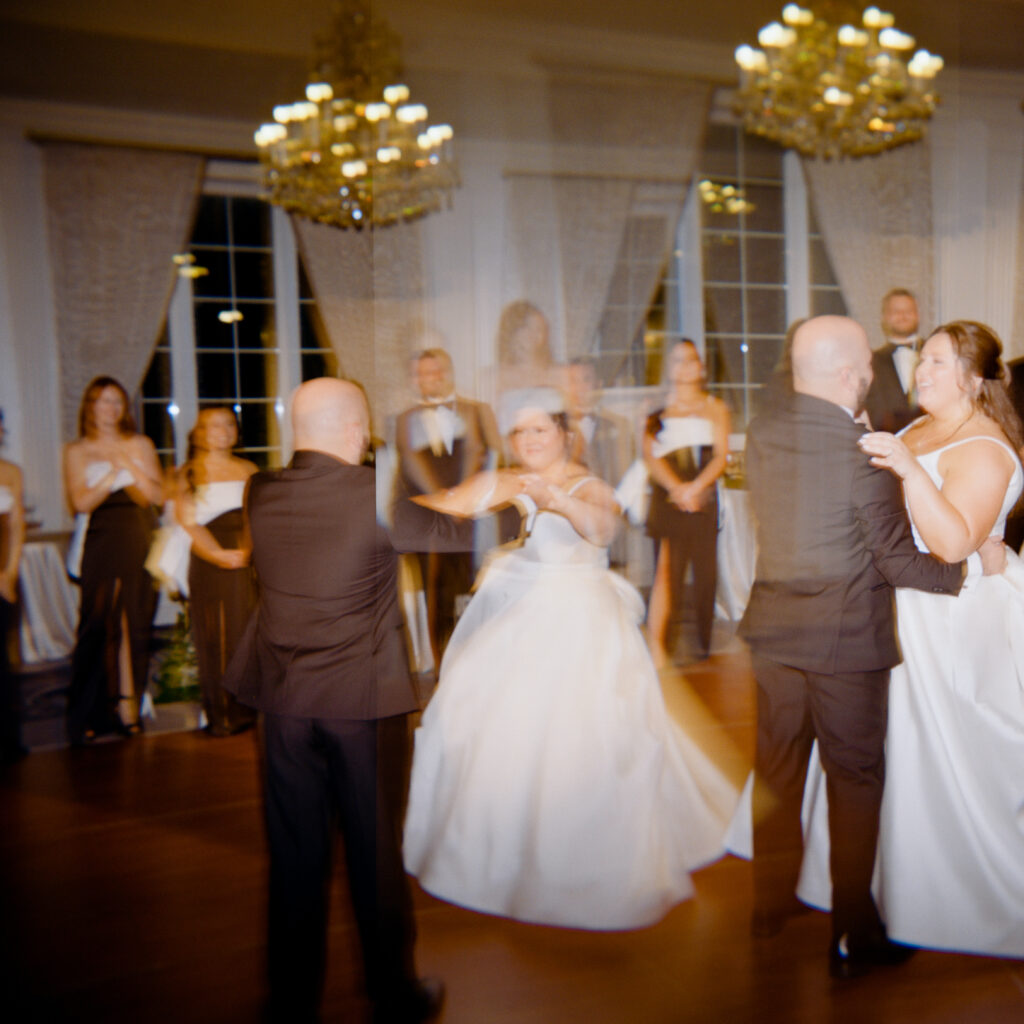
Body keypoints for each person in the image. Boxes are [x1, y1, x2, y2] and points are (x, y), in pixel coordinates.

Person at [403, 388, 739, 930]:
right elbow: (445, 505)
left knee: (574, 740)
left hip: (579, 622)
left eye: (540, 429)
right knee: (478, 723)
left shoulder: (587, 483)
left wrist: (556, 499)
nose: (529, 439)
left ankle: (576, 865)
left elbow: (602, 527)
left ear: (564, 433)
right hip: (517, 616)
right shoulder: (507, 478)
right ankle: (492, 853)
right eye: (520, 431)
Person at [737, 316, 999, 979]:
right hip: (845, 643)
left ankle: (767, 907)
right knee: (854, 782)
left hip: (772, 634)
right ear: (850, 374)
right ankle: (854, 934)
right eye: (867, 368)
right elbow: (898, 562)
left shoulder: (761, 432)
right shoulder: (865, 457)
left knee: (777, 773)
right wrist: (971, 570)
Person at [221, 378, 474, 1024]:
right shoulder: (376, 494)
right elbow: (458, 533)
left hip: (283, 707)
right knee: (373, 855)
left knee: (294, 857)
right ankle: (394, 995)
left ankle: (291, 1001)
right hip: (362, 706)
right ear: (357, 430)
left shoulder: (261, 490)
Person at [795, 320, 1024, 959]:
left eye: (938, 362)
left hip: (945, 621)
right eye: (922, 360)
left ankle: (933, 899)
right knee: (874, 757)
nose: (921, 371)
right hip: (889, 605)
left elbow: (951, 545)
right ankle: (872, 888)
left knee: (927, 761)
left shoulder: (985, 447)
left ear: (974, 380)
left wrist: (905, 469)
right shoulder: (917, 428)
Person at [64, 376, 162, 743]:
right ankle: (89, 712)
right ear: (90, 407)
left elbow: (154, 497)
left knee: (132, 621)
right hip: (100, 536)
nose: (112, 408)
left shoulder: (140, 443)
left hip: (135, 532)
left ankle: (128, 707)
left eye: (117, 401)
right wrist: (111, 471)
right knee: (98, 621)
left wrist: (128, 464)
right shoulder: (77, 450)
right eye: (104, 401)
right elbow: (81, 502)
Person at [395, 347, 501, 661]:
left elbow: (487, 453)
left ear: (448, 373)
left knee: (475, 587)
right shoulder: (405, 418)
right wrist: (443, 500)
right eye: (421, 373)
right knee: (435, 593)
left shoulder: (476, 410)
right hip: (427, 516)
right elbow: (410, 459)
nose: (429, 378)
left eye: (435, 371)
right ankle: (444, 663)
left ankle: (480, 660)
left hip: (472, 514)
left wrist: (463, 499)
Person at [643, 339, 730, 667]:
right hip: (667, 494)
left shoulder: (715, 407)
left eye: (691, 360)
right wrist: (677, 489)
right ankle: (663, 646)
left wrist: (696, 487)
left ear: (701, 367)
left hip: (703, 492)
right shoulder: (654, 408)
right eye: (677, 360)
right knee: (668, 572)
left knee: (705, 572)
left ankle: (703, 646)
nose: (685, 366)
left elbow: (721, 456)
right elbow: (650, 456)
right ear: (668, 367)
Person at [173, 407, 258, 737]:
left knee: (247, 631)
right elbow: (189, 523)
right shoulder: (188, 473)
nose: (223, 430)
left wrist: (247, 551)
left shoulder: (249, 469)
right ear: (198, 434)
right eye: (213, 425)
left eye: (229, 424)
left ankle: (249, 708)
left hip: (247, 558)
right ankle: (222, 713)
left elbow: (256, 516)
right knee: (217, 633)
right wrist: (219, 555)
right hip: (210, 560)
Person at [0, 410, 27, 764]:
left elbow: (17, 525)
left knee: (3, 658)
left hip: (4, 572)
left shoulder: (11, 471)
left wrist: (9, 572)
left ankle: (8, 737)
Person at [863, 288, 922, 433]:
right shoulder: (869, 362)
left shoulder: (937, 355)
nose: (903, 316)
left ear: (918, 315)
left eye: (909, 311)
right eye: (896, 311)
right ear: (884, 318)